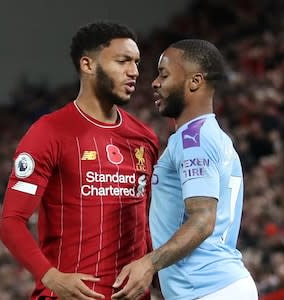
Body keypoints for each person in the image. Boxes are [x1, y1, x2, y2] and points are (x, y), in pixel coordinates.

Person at [0, 21, 159, 300]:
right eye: (123, 61)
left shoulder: (144, 138)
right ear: (88, 65)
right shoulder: (48, 132)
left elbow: (144, 223)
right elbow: (11, 223)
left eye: (136, 62)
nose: (134, 72)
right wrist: (52, 277)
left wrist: (154, 274)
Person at [112, 39, 258, 300]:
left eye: (164, 74)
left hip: (206, 290)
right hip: (220, 286)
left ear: (194, 82)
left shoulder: (193, 141)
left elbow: (202, 220)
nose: (155, 82)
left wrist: (149, 263)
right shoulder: (213, 137)